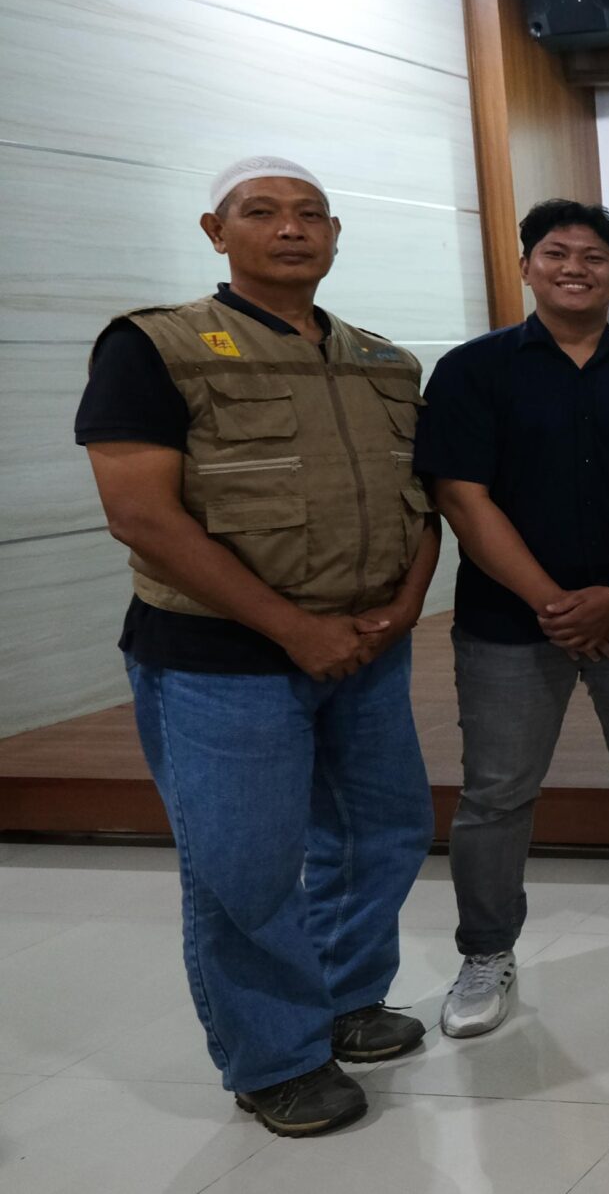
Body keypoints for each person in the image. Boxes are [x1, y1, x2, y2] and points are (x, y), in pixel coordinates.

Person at [74, 156, 438, 1136]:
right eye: (262, 211)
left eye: (311, 213)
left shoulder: (382, 360)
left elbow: (422, 500)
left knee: (383, 832)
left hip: (365, 648)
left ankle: (345, 996)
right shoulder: (155, 346)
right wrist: (292, 627)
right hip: (219, 659)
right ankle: (276, 1057)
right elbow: (140, 514)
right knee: (246, 866)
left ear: (334, 234)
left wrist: (406, 605)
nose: (290, 228)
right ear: (216, 230)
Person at [417, 199, 609, 1038]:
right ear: (527, 266)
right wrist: (555, 603)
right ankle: (486, 951)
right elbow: (462, 498)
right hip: (510, 624)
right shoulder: (472, 371)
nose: (575, 268)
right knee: (496, 792)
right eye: (556, 253)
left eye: (595, 257)